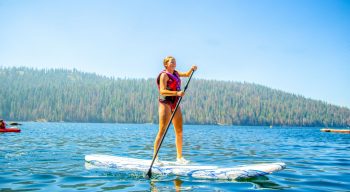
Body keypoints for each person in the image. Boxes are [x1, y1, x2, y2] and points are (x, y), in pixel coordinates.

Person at [153, 56, 197, 164]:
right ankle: (155, 157)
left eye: (175, 62)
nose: (174, 63)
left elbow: (186, 74)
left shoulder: (176, 73)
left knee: (179, 131)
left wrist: (192, 69)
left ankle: (179, 157)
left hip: (175, 103)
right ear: (166, 64)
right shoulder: (164, 75)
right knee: (162, 131)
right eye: (171, 62)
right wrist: (177, 93)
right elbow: (162, 91)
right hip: (165, 103)